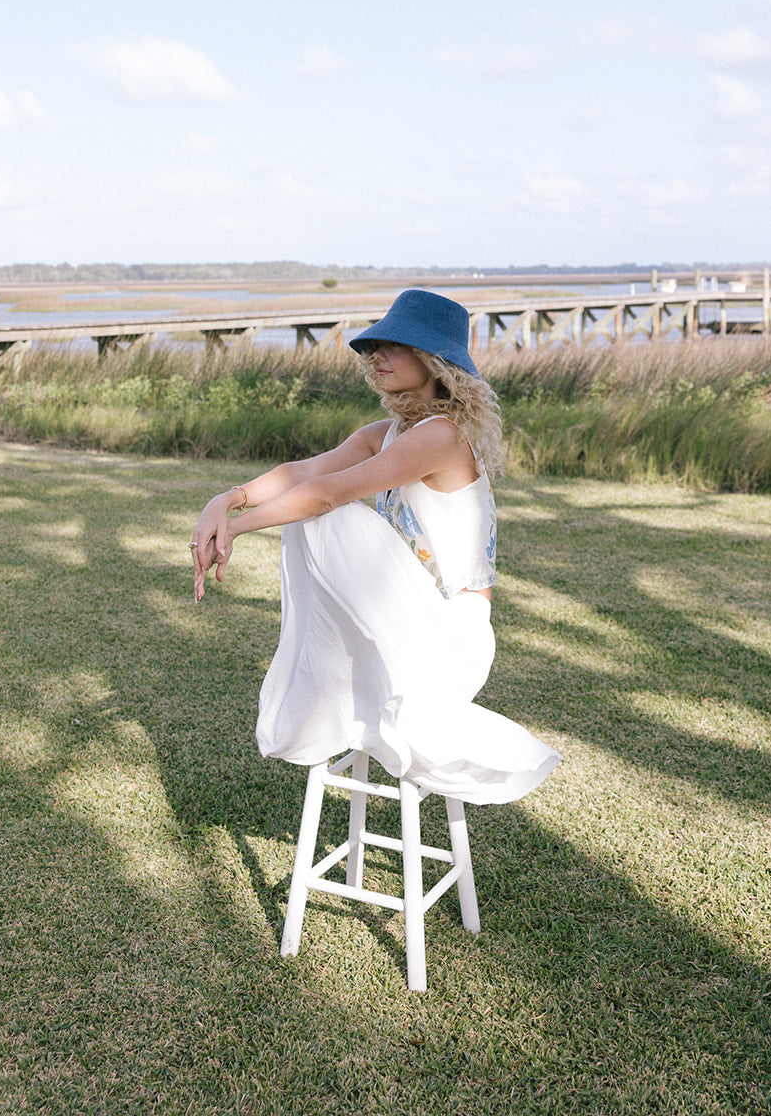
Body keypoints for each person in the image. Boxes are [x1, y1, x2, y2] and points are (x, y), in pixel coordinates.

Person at [190, 289, 560, 805]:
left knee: (327, 519)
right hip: (407, 621)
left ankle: (321, 699)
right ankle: (329, 694)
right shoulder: (388, 433)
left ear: (435, 362)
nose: (376, 356)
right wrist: (224, 501)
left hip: (453, 641)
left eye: (394, 346)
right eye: (373, 347)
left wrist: (234, 528)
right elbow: (302, 472)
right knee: (314, 515)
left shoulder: (442, 436)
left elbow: (325, 494)